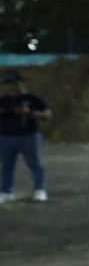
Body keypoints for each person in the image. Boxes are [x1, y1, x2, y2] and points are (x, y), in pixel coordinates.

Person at [0, 69, 51, 203]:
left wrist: (29, 112)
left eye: (14, 82)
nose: (12, 86)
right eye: (9, 83)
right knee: (6, 166)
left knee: (35, 164)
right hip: (5, 137)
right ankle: (6, 192)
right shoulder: (3, 100)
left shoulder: (33, 99)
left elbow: (47, 115)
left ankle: (39, 189)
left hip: (29, 136)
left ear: (21, 83)